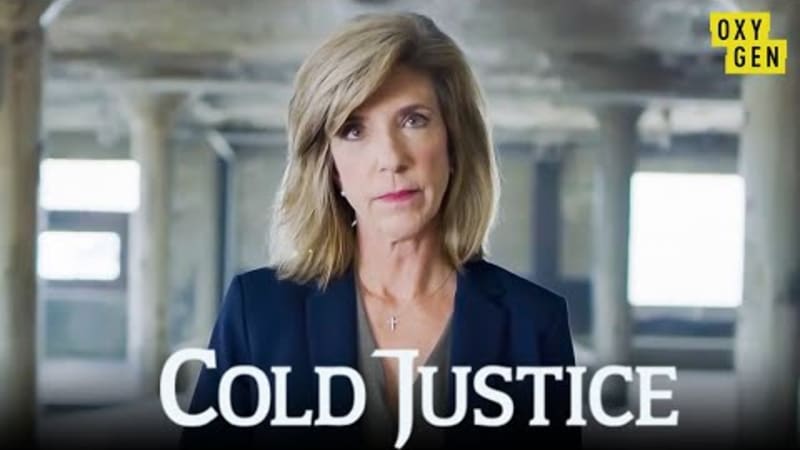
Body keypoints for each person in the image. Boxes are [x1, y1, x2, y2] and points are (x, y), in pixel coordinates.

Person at [181, 12, 579, 449]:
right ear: (331, 167)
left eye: (413, 120)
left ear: (454, 144)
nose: (390, 158)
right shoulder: (257, 313)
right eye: (353, 130)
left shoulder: (535, 323)